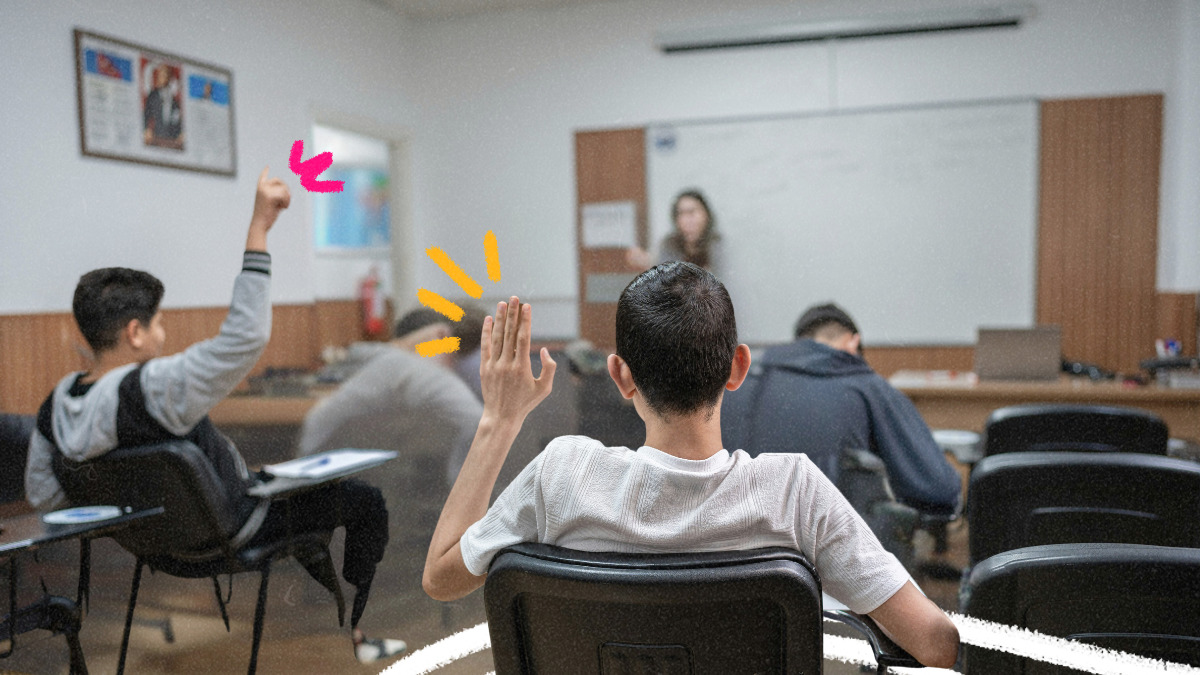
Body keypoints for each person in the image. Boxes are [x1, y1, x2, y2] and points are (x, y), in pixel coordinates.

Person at [422, 262, 960, 669]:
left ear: (620, 375)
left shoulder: (561, 474)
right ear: (738, 367)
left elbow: (441, 578)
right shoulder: (793, 490)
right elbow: (935, 642)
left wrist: (499, 420)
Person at [23, 168, 405, 665]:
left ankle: (341, 628)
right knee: (362, 501)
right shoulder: (151, 388)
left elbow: (45, 495)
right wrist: (259, 229)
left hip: (153, 549)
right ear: (135, 332)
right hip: (233, 531)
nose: (163, 336)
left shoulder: (54, 406)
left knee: (305, 510)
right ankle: (358, 628)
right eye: (159, 324)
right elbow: (243, 339)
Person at [721, 303, 961, 517]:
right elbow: (938, 488)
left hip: (727, 553)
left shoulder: (736, 383)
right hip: (823, 557)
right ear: (852, 343)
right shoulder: (864, 384)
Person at [296, 306, 486, 539]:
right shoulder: (418, 371)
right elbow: (479, 424)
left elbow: (356, 352)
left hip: (320, 465)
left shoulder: (398, 364)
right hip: (334, 474)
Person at [626, 190, 725, 278]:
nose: (686, 220)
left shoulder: (717, 245)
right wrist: (648, 263)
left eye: (691, 212)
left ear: (706, 215)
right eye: (680, 214)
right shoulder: (669, 245)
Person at [143, 63, 182, 147]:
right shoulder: (152, 96)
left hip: (171, 140)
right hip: (156, 138)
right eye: (162, 75)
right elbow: (146, 114)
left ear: (170, 77)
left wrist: (181, 133)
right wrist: (146, 129)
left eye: (166, 75)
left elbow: (177, 119)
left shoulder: (174, 100)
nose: (164, 78)